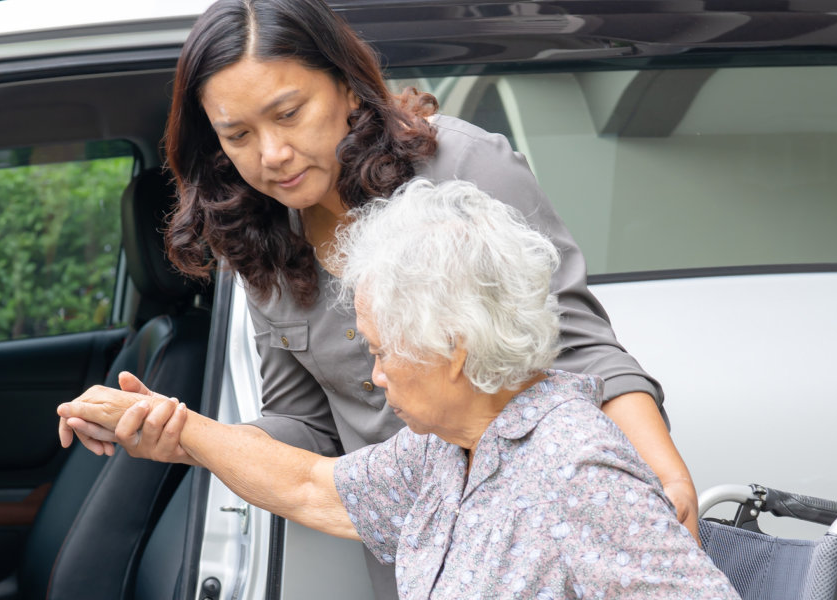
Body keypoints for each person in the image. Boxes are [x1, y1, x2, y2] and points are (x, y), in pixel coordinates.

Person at [60, 0, 702, 594]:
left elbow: (584, 349)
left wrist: (659, 476)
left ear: (345, 85)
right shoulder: (255, 233)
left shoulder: (464, 169)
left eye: (289, 114)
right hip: (408, 545)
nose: (273, 154)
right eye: (238, 135)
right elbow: (307, 427)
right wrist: (186, 433)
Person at [60, 179, 736, 599]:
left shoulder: (574, 467)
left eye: (383, 352)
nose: (375, 377)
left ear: (454, 348)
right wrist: (174, 427)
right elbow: (312, 487)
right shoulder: (445, 451)